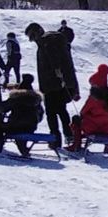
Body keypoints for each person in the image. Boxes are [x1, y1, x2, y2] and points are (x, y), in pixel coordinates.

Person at [23, 21, 79, 149]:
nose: (32, 40)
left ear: (36, 32)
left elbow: (54, 59)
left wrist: (57, 71)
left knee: (51, 113)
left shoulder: (46, 42)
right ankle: (68, 134)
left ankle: (55, 138)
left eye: (31, 36)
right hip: (59, 83)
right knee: (61, 110)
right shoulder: (54, 40)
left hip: (50, 83)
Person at [69, 64, 108, 152]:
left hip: (92, 128)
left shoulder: (94, 98)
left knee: (76, 119)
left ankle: (76, 144)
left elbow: (83, 111)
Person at [0, 74, 44, 158]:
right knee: (22, 131)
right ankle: (24, 149)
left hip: (14, 126)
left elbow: (3, 108)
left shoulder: (16, 97)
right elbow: (41, 114)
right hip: (31, 127)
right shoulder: (35, 99)